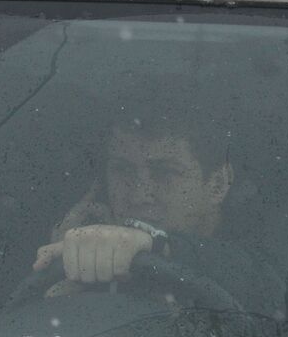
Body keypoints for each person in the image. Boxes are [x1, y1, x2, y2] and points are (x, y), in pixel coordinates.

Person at [32, 108, 239, 297]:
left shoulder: (259, 266)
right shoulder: (86, 259)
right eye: (123, 170)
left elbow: (257, 277)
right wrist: (66, 268)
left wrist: (157, 246)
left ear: (218, 185)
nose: (139, 196)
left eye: (165, 172)